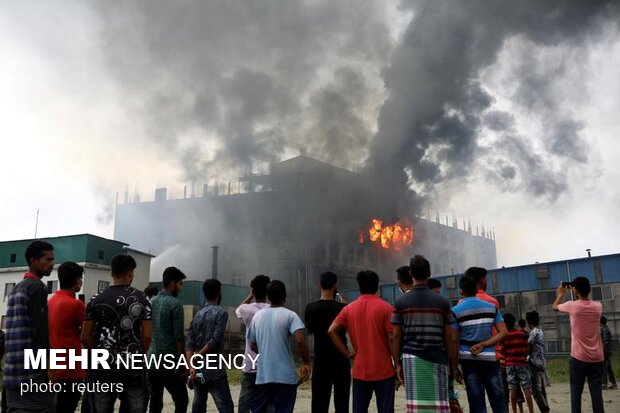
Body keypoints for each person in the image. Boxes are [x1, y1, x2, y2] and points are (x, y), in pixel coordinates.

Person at [82, 254, 153, 413]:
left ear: (111, 273)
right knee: (135, 407)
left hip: (103, 365)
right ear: (130, 273)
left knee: (101, 408)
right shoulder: (141, 299)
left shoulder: (96, 299)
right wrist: (140, 354)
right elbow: (147, 336)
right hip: (131, 364)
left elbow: (85, 337)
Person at [391, 256, 459, 413]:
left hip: (411, 360)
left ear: (411, 273)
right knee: (439, 405)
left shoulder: (401, 302)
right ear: (429, 272)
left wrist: (397, 364)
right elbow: (450, 337)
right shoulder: (441, 301)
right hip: (438, 358)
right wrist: (453, 365)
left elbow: (396, 335)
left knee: (416, 407)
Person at [329, 270, 396, 413]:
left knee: (359, 409)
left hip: (360, 370)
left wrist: (347, 354)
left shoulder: (349, 308)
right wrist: (397, 363)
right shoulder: (387, 308)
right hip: (384, 369)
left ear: (359, 287)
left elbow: (331, 331)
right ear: (377, 286)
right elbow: (392, 338)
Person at [3, 240, 56, 412]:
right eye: (47, 260)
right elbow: (39, 333)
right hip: (31, 375)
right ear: (33, 261)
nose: (51, 264)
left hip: (12, 372)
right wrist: (49, 368)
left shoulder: (17, 288)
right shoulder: (37, 287)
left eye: (52, 260)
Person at [247, 280, 311, 413]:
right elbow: (299, 340)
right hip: (286, 377)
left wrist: (265, 352)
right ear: (285, 296)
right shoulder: (290, 315)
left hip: (263, 376)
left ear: (268, 297)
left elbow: (252, 345)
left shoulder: (257, 317)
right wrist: (306, 363)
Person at [451, 275, 507, 413]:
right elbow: (503, 332)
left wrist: (454, 367)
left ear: (461, 291)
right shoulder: (491, 307)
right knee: (497, 397)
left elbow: (453, 340)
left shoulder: (455, 311)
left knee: (476, 400)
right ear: (477, 289)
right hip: (490, 359)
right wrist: (484, 344)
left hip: (468, 360)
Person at [553, 277, 605, 413]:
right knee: (597, 395)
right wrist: (575, 289)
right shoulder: (598, 306)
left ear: (575, 290)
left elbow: (554, 307)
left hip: (578, 358)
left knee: (576, 392)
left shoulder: (572, 306)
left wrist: (561, 294)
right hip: (597, 357)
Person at [186, 279, 234, 413]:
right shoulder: (221, 313)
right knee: (226, 407)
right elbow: (215, 341)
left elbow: (189, 344)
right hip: (215, 370)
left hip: (199, 370)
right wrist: (198, 355)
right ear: (219, 293)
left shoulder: (197, 315)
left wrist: (192, 366)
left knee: (199, 405)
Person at [305, 271, 350, 413]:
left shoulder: (311, 308)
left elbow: (310, 331)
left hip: (321, 361)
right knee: (342, 403)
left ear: (319, 285)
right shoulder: (343, 309)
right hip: (340, 361)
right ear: (335, 285)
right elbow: (347, 329)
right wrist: (345, 306)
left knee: (319, 404)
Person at [147, 267, 188, 413]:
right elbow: (178, 337)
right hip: (168, 361)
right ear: (172, 284)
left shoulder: (151, 302)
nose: (181, 288)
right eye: (180, 284)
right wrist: (183, 363)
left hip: (151, 360)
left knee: (155, 401)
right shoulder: (175, 304)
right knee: (182, 399)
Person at [48, 261, 86, 413]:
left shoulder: (50, 301)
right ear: (77, 281)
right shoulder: (76, 305)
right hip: (72, 367)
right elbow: (86, 335)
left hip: (54, 367)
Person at [235, 274, 271, 413]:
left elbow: (238, 309)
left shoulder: (247, 310)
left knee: (245, 401)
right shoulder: (273, 310)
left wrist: (250, 295)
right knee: (268, 401)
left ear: (253, 291)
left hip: (250, 364)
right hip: (268, 366)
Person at [502, 314, 534, 413]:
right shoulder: (521, 334)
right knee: (526, 387)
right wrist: (525, 354)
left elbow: (503, 350)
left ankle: (515, 411)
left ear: (504, 324)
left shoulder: (504, 336)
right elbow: (528, 346)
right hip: (521, 363)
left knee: (512, 387)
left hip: (510, 364)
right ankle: (531, 411)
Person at [525, 311, 550, 412]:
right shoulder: (540, 331)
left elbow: (529, 347)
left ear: (528, 322)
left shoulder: (533, 332)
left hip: (535, 363)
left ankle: (544, 408)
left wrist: (525, 356)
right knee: (542, 388)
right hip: (541, 363)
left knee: (536, 390)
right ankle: (545, 406)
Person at [600, 316, 617, 390]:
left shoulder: (604, 330)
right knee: (609, 368)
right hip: (607, 351)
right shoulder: (604, 329)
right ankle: (613, 383)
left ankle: (604, 384)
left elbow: (605, 341)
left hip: (605, 351)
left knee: (604, 367)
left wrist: (602, 351)